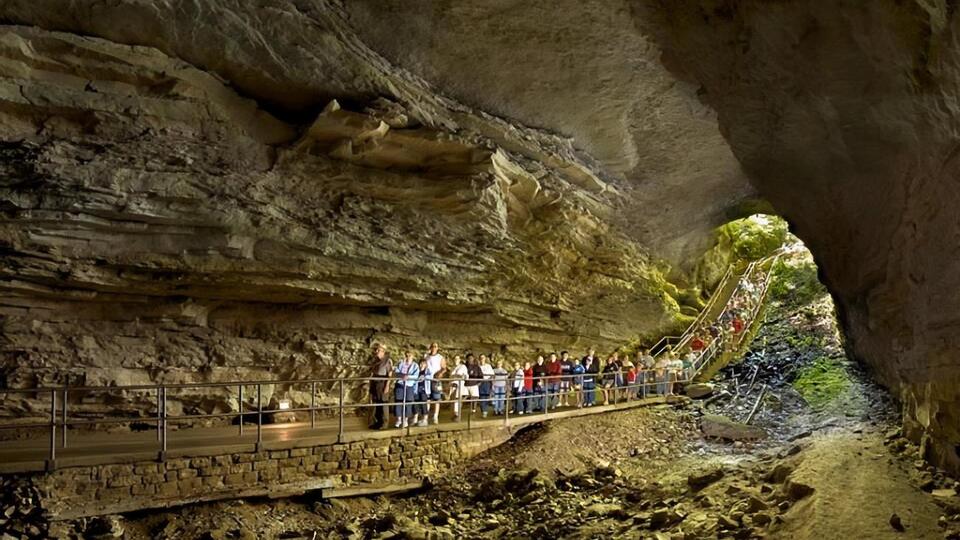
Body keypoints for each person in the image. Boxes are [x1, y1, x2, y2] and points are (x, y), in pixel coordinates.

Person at [367, 344, 392, 430]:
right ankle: (377, 422)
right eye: (376, 350)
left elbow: (390, 374)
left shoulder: (387, 361)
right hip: (375, 383)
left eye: (378, 350)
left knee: (383, 403)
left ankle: (385, 423)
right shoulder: (376, 361)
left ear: (383, 352)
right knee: (376, 403)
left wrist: (387, 386)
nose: (376, 352)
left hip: (382, 383)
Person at [393, 352, 419, 428]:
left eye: (409, 356)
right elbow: (396, 372)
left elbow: (416, 376)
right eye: (406, 355)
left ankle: (405, 420)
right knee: (398, 401)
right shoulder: (401, 364)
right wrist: (402, 375)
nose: (408, 357)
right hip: (400, 384)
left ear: (413, 356)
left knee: (408, 402)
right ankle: (399, 419)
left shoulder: (415, 365)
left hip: (409, 385)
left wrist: (408, 376)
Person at [424, 342, 446, 425]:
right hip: (427, 379)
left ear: (437, 348)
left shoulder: (440, 357)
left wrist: (439, 373)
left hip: (436, 380)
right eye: (432, 346)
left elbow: (444, 368)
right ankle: (426, 416)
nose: (433, 348)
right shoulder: (427, 357)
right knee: (427, 398)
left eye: (435, 346)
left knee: (437, 398)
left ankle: (435, 416)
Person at [412, 358, 429, 427]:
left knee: (423, 403)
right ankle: (415, 418)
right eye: (421, 363)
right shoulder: (417, 371)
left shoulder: (427, 371)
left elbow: (429, 376)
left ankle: (425, 418)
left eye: (423, 364)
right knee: (416, 403)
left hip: (424, 389)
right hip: (417, 389)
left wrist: (424, 377)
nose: (422, 365)